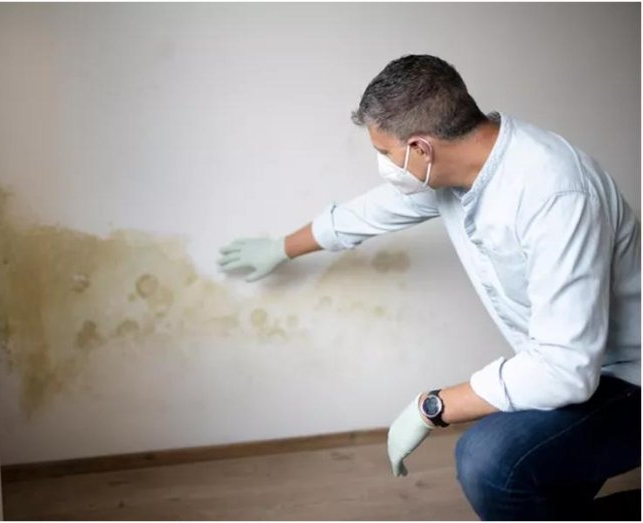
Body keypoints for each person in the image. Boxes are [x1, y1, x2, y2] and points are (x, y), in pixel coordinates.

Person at [216, 54, 641, 520]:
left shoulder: (554, 194)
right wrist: (280, 248)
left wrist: (431, 407)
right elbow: (365, 214)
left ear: (420, 148)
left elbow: (564, 371)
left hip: (627, 377)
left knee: (489, 460)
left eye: (384, 153)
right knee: (532, 484)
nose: (383, 165)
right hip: (579, 369)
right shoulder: (458, 174)